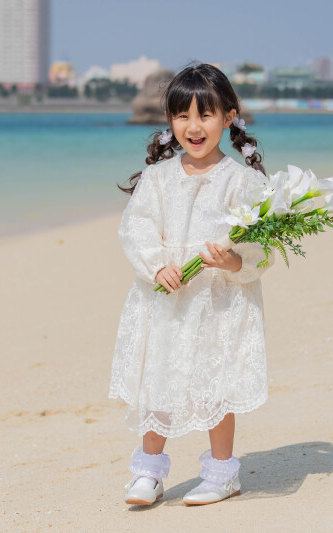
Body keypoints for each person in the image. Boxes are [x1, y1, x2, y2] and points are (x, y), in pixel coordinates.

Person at [108, 62, 275, 506]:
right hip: (167, 299)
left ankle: (222, 474)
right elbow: (137, 227)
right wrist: (156, 265)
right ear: (170, 122)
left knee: (216, 385)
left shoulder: (244, 182)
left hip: (220, 302)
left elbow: (262, 251)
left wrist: (234, 259)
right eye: (182, 116)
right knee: (158, 380)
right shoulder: (158, 178)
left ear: (229, 117)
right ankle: (148, 473)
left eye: (206, 115)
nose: (194, 127)